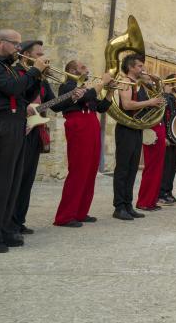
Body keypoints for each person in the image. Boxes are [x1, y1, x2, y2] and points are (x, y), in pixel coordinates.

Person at [0, 29, 48, 253]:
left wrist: (38, 77)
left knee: (12, 181)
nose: (18, 48)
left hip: (15, 124)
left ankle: (4, 229)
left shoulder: (9, 68)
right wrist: (34, 71)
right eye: (15, 44)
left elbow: (23, 96)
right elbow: (11, 88)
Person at [50, 59, 113, 227]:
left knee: (91, 170)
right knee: (78, 169)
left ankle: (80, 212)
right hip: (78, 124)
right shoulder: (68, 86)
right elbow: (87, 96)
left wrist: (109, 92)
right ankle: (64, 216)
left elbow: (100, 107)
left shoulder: (86, 87)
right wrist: (102, 83)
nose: (87, 69)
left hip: (91, 123)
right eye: (83, 67)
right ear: (72, 70)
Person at [112, 54, 165, 221]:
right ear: (131, 68)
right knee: (123, 169)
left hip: (136, 128)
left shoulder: (139, 84)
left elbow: (156, 98)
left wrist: (157, 83)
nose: (143, 69)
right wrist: (150, 103)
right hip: (126, 128)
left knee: (133, 168)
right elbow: (127, 105)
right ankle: (119, 206)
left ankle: (128, 205)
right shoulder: (125, 82)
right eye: (140, 66)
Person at [11, 40, 55, 235]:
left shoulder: (41, 79)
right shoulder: (16, 73)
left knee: (27, 180)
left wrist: (74, 95)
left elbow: (53, 104)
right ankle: (9, 222)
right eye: (38, 55)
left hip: (35, 131)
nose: (42, 58)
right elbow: (18, 96)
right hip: (19, 130)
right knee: (16, 179)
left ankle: (19, 220)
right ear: (26, 55)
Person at [158, 76, 176, 205]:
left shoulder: (172, 98)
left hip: (173, 137)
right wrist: (163, 136)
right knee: (166, 166)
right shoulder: (165, 97)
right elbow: (162, 117)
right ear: (171, 84)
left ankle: (168, 192)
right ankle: (161, 193)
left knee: (172, 166)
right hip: (166, 137)